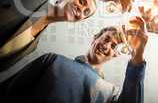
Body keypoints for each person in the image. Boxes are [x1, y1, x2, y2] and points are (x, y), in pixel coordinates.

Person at [0, 16, 148, 103]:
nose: (106, 45)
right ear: (94, 39)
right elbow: (9, 90)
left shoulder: (112, 93)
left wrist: (138, 54)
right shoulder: (53, 60)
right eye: (106, 39)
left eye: (113, 46)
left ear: (116, 54)